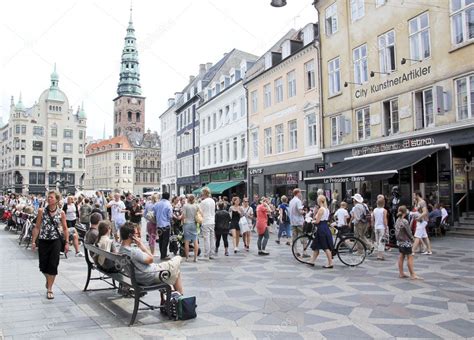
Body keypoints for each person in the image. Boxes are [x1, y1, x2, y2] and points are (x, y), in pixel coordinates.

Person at [119, 222, 183, 293]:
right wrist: (142, 246)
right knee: (178, 260)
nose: (138, 235)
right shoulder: (133, 251)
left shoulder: (121, 249)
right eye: (136, 234)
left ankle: (175, 297)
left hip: (141, 276)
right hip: (150, 276)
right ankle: (180, 299)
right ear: (131, 236)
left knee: (175, 270)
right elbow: (151, 259)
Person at [31, 190, 70, 300]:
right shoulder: (41, 211)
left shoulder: (61, 213)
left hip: (55, 241)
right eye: (48, 197)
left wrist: (66, 242)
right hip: (43, 240)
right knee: (43, 266)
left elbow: (65, 229)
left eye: (51, 197)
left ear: (57, 200)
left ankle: (50, 289)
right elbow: (37, 227)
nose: (49, 199)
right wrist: (34, 241)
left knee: (53, 265)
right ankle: (48, 280)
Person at [395, 206, 422, 280]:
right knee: (410, 257)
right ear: (405, 212)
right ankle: (412, 274)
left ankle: (401, 273)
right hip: (406, 241)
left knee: (401, 256)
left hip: (400, 241)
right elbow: (409, 232)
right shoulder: (405, 221)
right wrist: (413, 239)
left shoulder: (397, 220)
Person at [308, 195, 334, 268]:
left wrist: (313, 221)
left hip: (321, 228)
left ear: (319, 201)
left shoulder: (321, 209)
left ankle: (330, 263)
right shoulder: (327, 209)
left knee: (325, 247)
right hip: (325, 227)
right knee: (317, 246)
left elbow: (317, 221)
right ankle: (312, 261)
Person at [153, 192, 173, 260]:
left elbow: (154, 213)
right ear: (168, 197)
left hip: (159, 225)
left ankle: (162, 254)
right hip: (166, 225)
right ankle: (163, 255)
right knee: (165, 240)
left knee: (161, 240)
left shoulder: (157, 203)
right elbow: (170, 216)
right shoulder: (168, 204)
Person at [412, 191, 432, 255]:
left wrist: (419, 217)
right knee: (425, 236)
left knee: (417, 236)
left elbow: (425, 212)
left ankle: (412, 251)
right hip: (421, 221)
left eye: (414, 195)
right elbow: (416, 210)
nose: (413, 197)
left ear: (417, 195)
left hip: (422, 221)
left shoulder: (422, 202)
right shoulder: (418, 202)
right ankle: (429, 250)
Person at [199, 187, 216, 260]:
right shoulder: (212, 201)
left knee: (206, 238)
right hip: (212, 220)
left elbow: (200, 211)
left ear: (204, 193)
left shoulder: (203, 202)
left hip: (206, 221)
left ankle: (206, 254)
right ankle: (212, 254)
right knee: (212, 238)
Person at [181, 194, 199, 262]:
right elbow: (199, 214)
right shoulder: (196, 205)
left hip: (187, 224)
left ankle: (187, 258)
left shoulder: (185, 206)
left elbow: (184, 216)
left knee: (187, 241)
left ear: (188, 199)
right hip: (194, 224)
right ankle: (195, 258)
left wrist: (182, 222)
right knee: (195, 241)